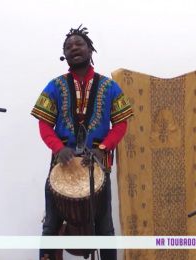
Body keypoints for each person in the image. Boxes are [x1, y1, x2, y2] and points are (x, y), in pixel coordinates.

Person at [31, 25, 133, 260]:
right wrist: (58, 148)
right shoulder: (55, 85)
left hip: (98, 165)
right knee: (51, 226)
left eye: (79, 44)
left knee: (105, 228)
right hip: (61, 165)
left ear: (90, 50)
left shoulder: (109, 86)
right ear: (64, 55)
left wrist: (103, 148)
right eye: (68, 46)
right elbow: (44, 124)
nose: (74, 48)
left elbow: (121, 124)